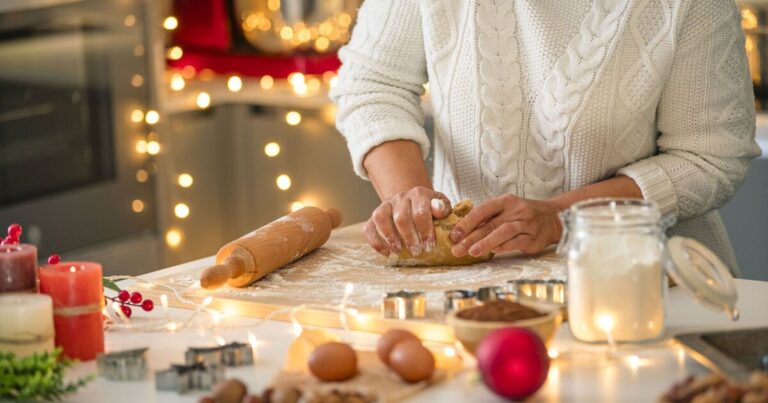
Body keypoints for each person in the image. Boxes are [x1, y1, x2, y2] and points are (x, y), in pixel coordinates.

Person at [330, 0, 761, 274]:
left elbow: (709, 158)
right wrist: (408, 197)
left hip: (642, 284)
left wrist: (559, 218)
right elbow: (372, 83)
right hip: (458, 285)